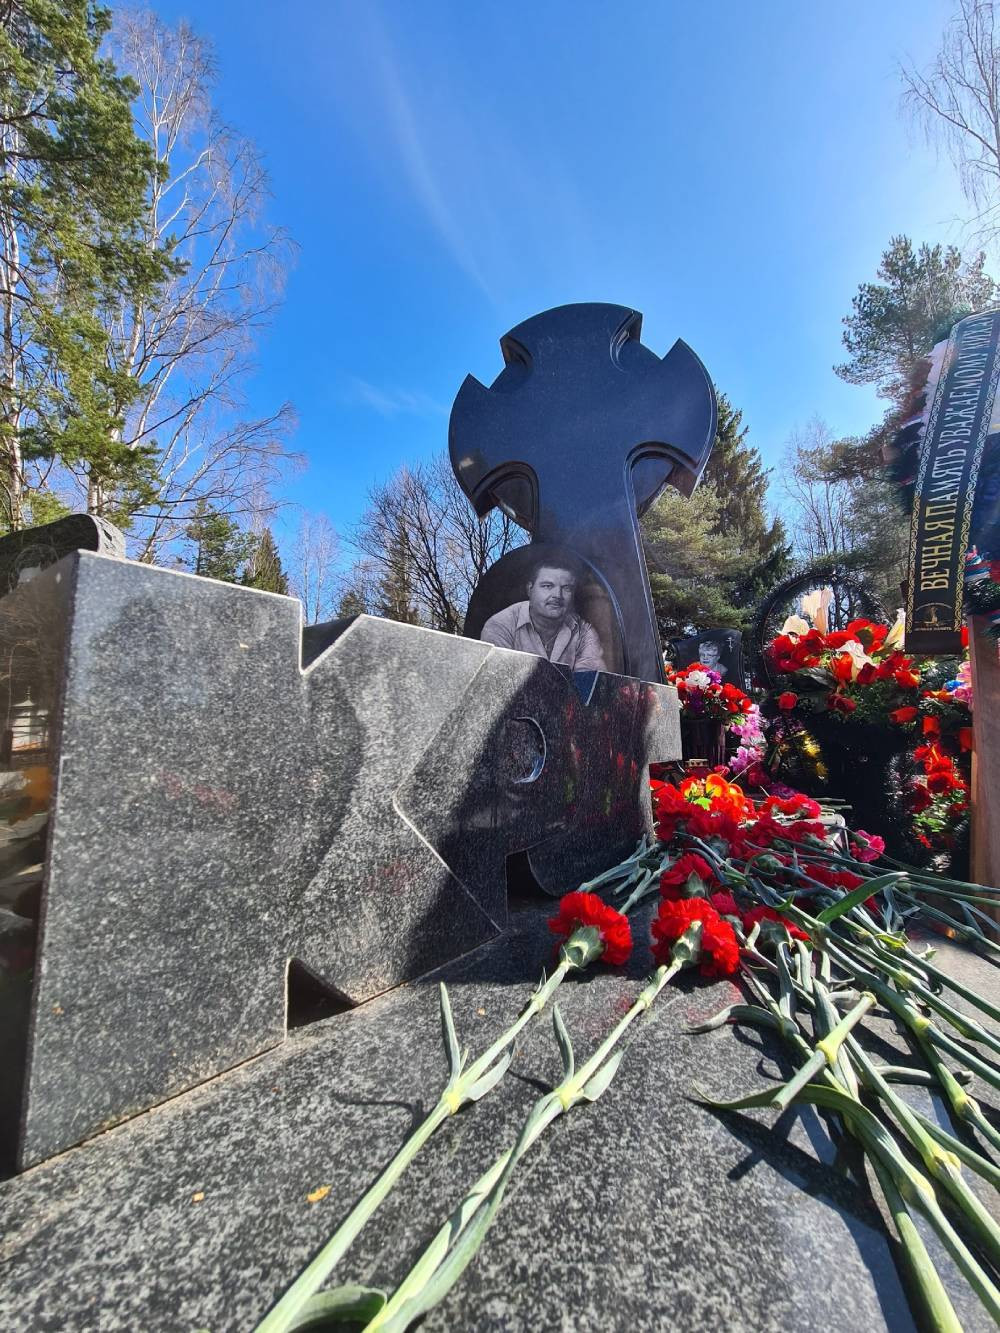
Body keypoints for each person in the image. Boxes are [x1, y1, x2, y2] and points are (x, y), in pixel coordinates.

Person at [481, 559, 606, 671]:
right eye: (547, 586)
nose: (557, 595)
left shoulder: (583, 632)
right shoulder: (500, 626)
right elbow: (498, 681)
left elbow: (588, 683)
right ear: (530, 589)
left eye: (566, 588)